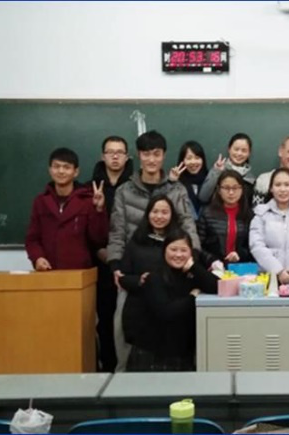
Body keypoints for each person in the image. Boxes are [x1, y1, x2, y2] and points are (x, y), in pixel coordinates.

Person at [107, 130, 199, 372]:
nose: (151, 159)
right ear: (139, 155)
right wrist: (115, 267)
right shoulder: (124, 191)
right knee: (122, 329)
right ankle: (123, 378)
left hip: (172, 272)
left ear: (163, 156)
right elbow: (116, 232)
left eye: (156, 154)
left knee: (173, 329)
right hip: (134, 272)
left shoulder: (176, 189)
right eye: (146, 154)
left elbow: (188, 225)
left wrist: (194, 257)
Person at [122, 229, 218, 371]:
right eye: (173, 249)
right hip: (152, 353)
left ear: (191, 253)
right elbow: (166, 311)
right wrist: (192, 298)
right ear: (164, 251)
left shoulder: (192, 274)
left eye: (183, 250)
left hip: (182, 351)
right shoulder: (154, 277)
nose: (178, 255)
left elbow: (217, 286)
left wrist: (194, 267)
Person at [25, 147, 108, 271]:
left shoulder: (87, 200)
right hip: (48, 271)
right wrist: (37, 258)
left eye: (66, 167)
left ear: (76, 172)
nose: (61, 171)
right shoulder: (40, 201)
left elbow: (98, 239)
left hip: (79, 273)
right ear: (50, 170)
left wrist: (99, 209)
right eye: (56, 166)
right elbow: (32, 239)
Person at [91, 135, 133, 372]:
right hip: (100, 264)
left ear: (127, 156)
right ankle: (107, 368)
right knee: (105, 321)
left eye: (120, 152)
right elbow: (85, 227)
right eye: (110, 152)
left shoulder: (135, 186)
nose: (115, 156)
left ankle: (128, 370)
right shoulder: (90, 187)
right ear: (103, 156)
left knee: (129, 321)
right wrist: (99, 249)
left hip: (130, 263)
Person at [250, 168, 289, 286]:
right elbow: (257, 246)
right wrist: (278, 271)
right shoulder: (260, 214)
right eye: (278, 185)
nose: (283, 189)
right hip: (269, 279)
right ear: (271, 188)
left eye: (287, 184)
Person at [118, 195, 180, 294]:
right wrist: (140, 280)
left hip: (170, 296)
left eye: (164, 212)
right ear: (148, 214)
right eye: (155, 212)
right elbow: (123, 277)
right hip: (139, 297)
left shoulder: (179, 240)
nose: (159, 216)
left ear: (172, 215)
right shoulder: (137, 238)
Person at [197, 170, 254, 266]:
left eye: (235, 188)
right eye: (226, 188)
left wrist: (240, 254)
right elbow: (198, 245)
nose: (231, 192)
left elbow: (253, 245)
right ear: (219, 190)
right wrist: (211, 260)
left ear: (242, 189)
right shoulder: (207, 213)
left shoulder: (249, 215)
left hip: (240, 267)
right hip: (212, 267)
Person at [199, 132, 256, 205]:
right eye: (236, 149)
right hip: (217, 211)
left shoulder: (250, 179)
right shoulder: (219, 170)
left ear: (249, 153)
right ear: (229, 149)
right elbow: (203, 197)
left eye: (244, 150)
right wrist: (216, 172)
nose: (239, 153)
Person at [173, 140, 208, 219]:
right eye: (189, 158)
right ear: (182, 161)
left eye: (197, 158)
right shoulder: (177, 181)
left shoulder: (210, 180)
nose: (193, 162)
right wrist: (172, 182)